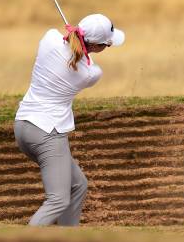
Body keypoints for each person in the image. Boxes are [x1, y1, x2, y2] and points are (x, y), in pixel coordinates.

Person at [14, 13, 125, 226]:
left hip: (23, 126)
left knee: (78, 185)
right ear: (97, 46)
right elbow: (83, 61)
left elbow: (60, 38)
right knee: (57, 200)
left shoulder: (48, 39)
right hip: (47, 133)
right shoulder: (91, 73)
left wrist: (72, 34)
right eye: (107, 45)